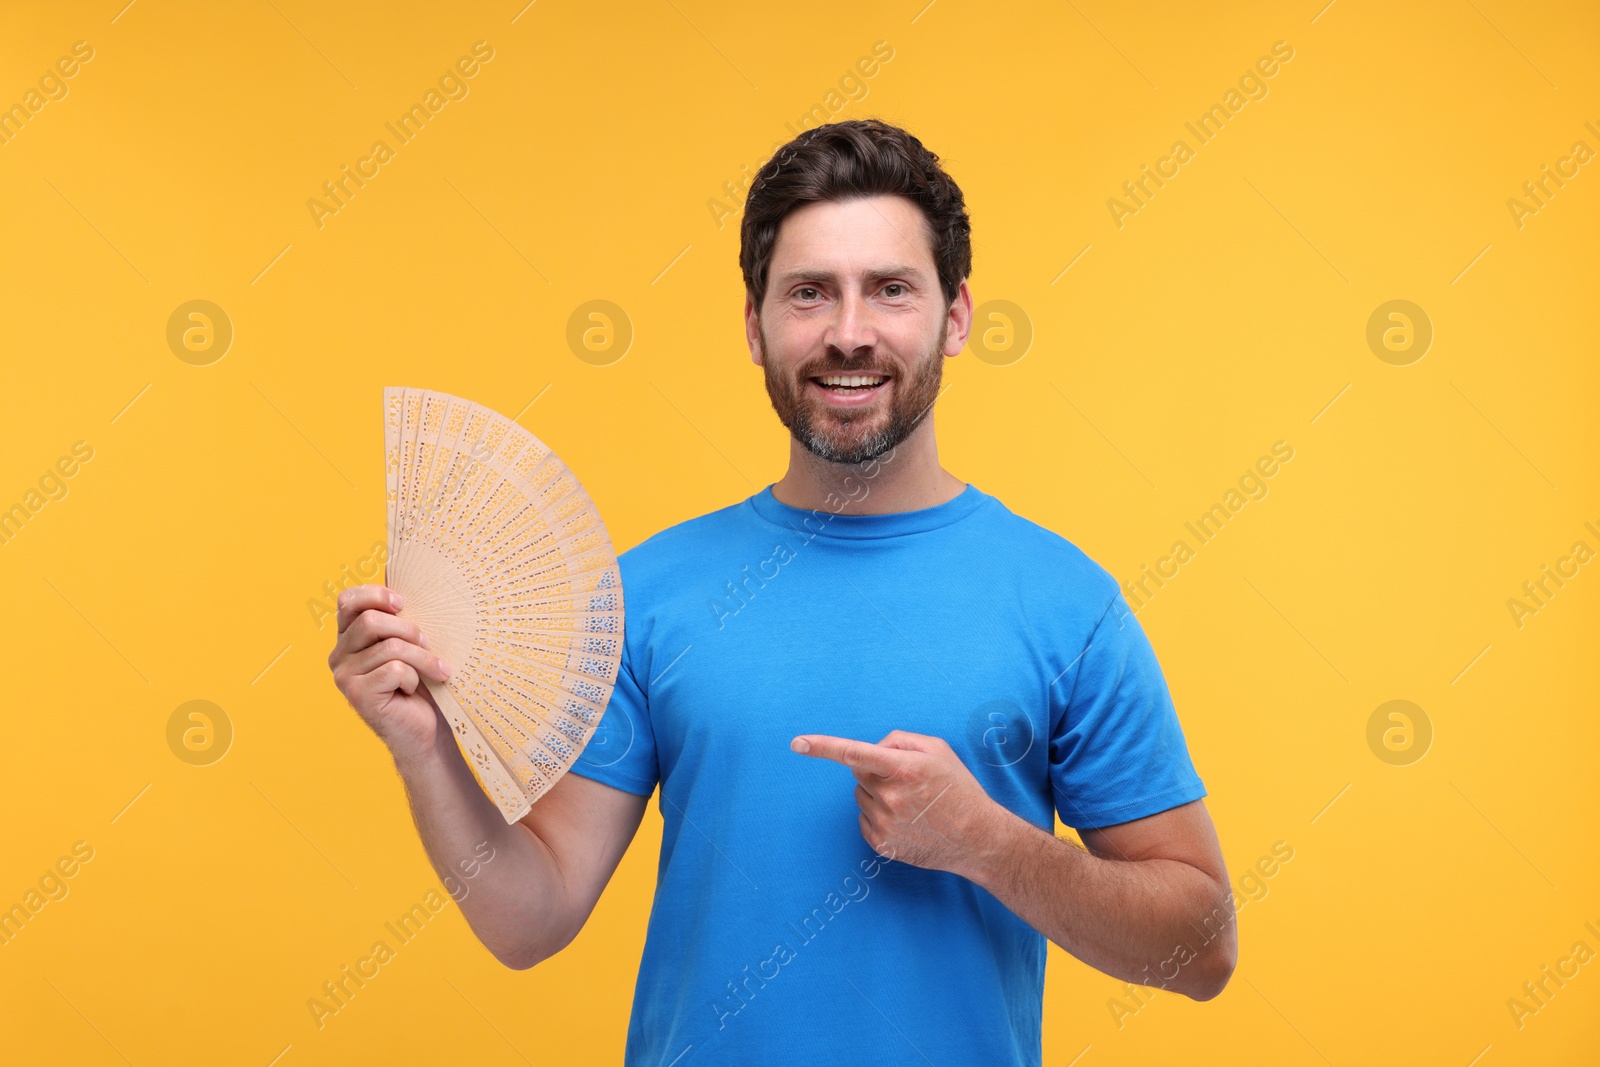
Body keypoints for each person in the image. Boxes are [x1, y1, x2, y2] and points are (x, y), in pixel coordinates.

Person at [329, 117, 1236, 1066]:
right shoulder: (648, 594)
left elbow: (1201, 946)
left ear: (957, 316)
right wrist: (425, 750)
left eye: (890, 289)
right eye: (809, 294)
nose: (850, 334)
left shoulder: (1067, 605)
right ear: (755, 326)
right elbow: (533, 916)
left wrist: (985, 842)